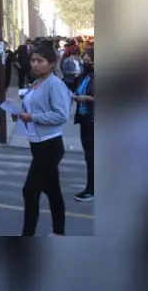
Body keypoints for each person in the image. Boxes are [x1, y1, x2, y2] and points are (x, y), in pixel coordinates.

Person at [15, 43, 73, 236]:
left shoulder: (54, 84)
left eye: (40, 61)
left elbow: (61, 115)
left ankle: (28, 234)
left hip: (50, 145)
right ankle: (59, 232)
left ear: (52, 63)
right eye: (33, 60)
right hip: (37, 143)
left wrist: (33, 117)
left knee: (30, 191)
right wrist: (21, 114)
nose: (35, 64)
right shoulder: (38, 81)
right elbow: (35, 107)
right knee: (53, 191)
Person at [72, 49, 94, 202]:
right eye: (84, 60)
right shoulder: (84, 76)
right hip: (84, 118)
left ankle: (92, 189)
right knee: (88, 155)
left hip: (94, 119)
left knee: (93, 156)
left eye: (89, 61)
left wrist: (87, 98)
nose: (86, 63)